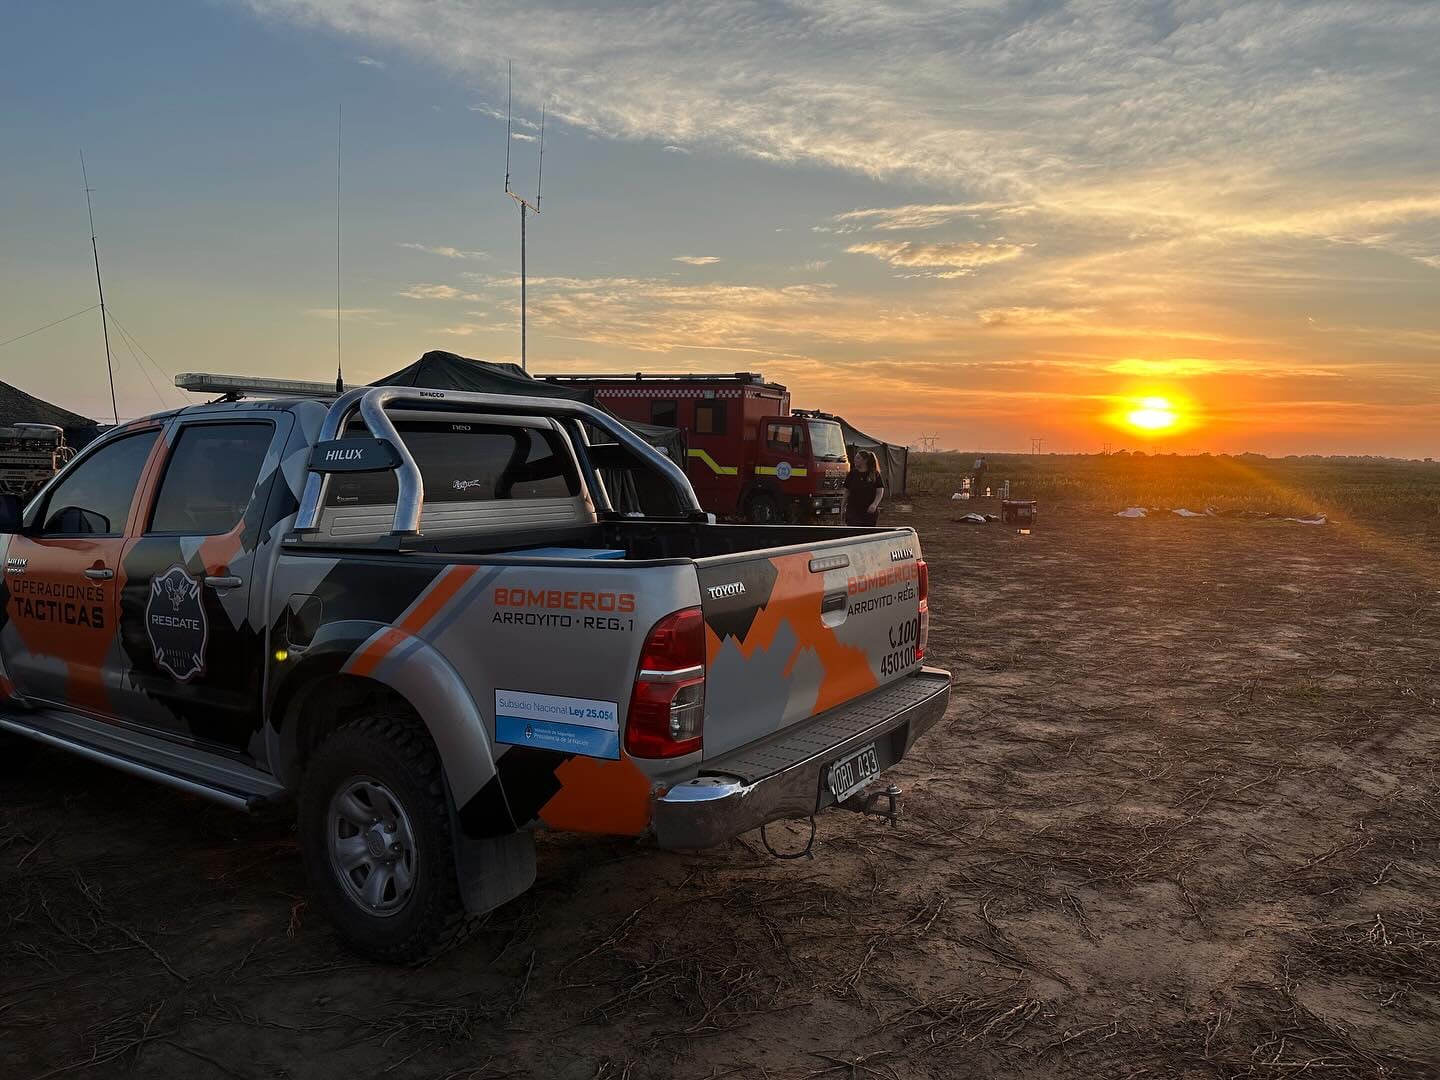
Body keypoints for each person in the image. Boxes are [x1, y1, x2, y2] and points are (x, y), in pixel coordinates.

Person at [845, 450, 885, 526]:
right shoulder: (852, 474)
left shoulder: (874, 474)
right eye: (855, 458)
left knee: (867, 533)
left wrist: (874, 504)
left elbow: (880, 491)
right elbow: (847, 491)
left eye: (858, 458)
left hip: (868, 511)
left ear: (865, 460)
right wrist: (843, 506)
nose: (855, 460)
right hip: (853, 511)